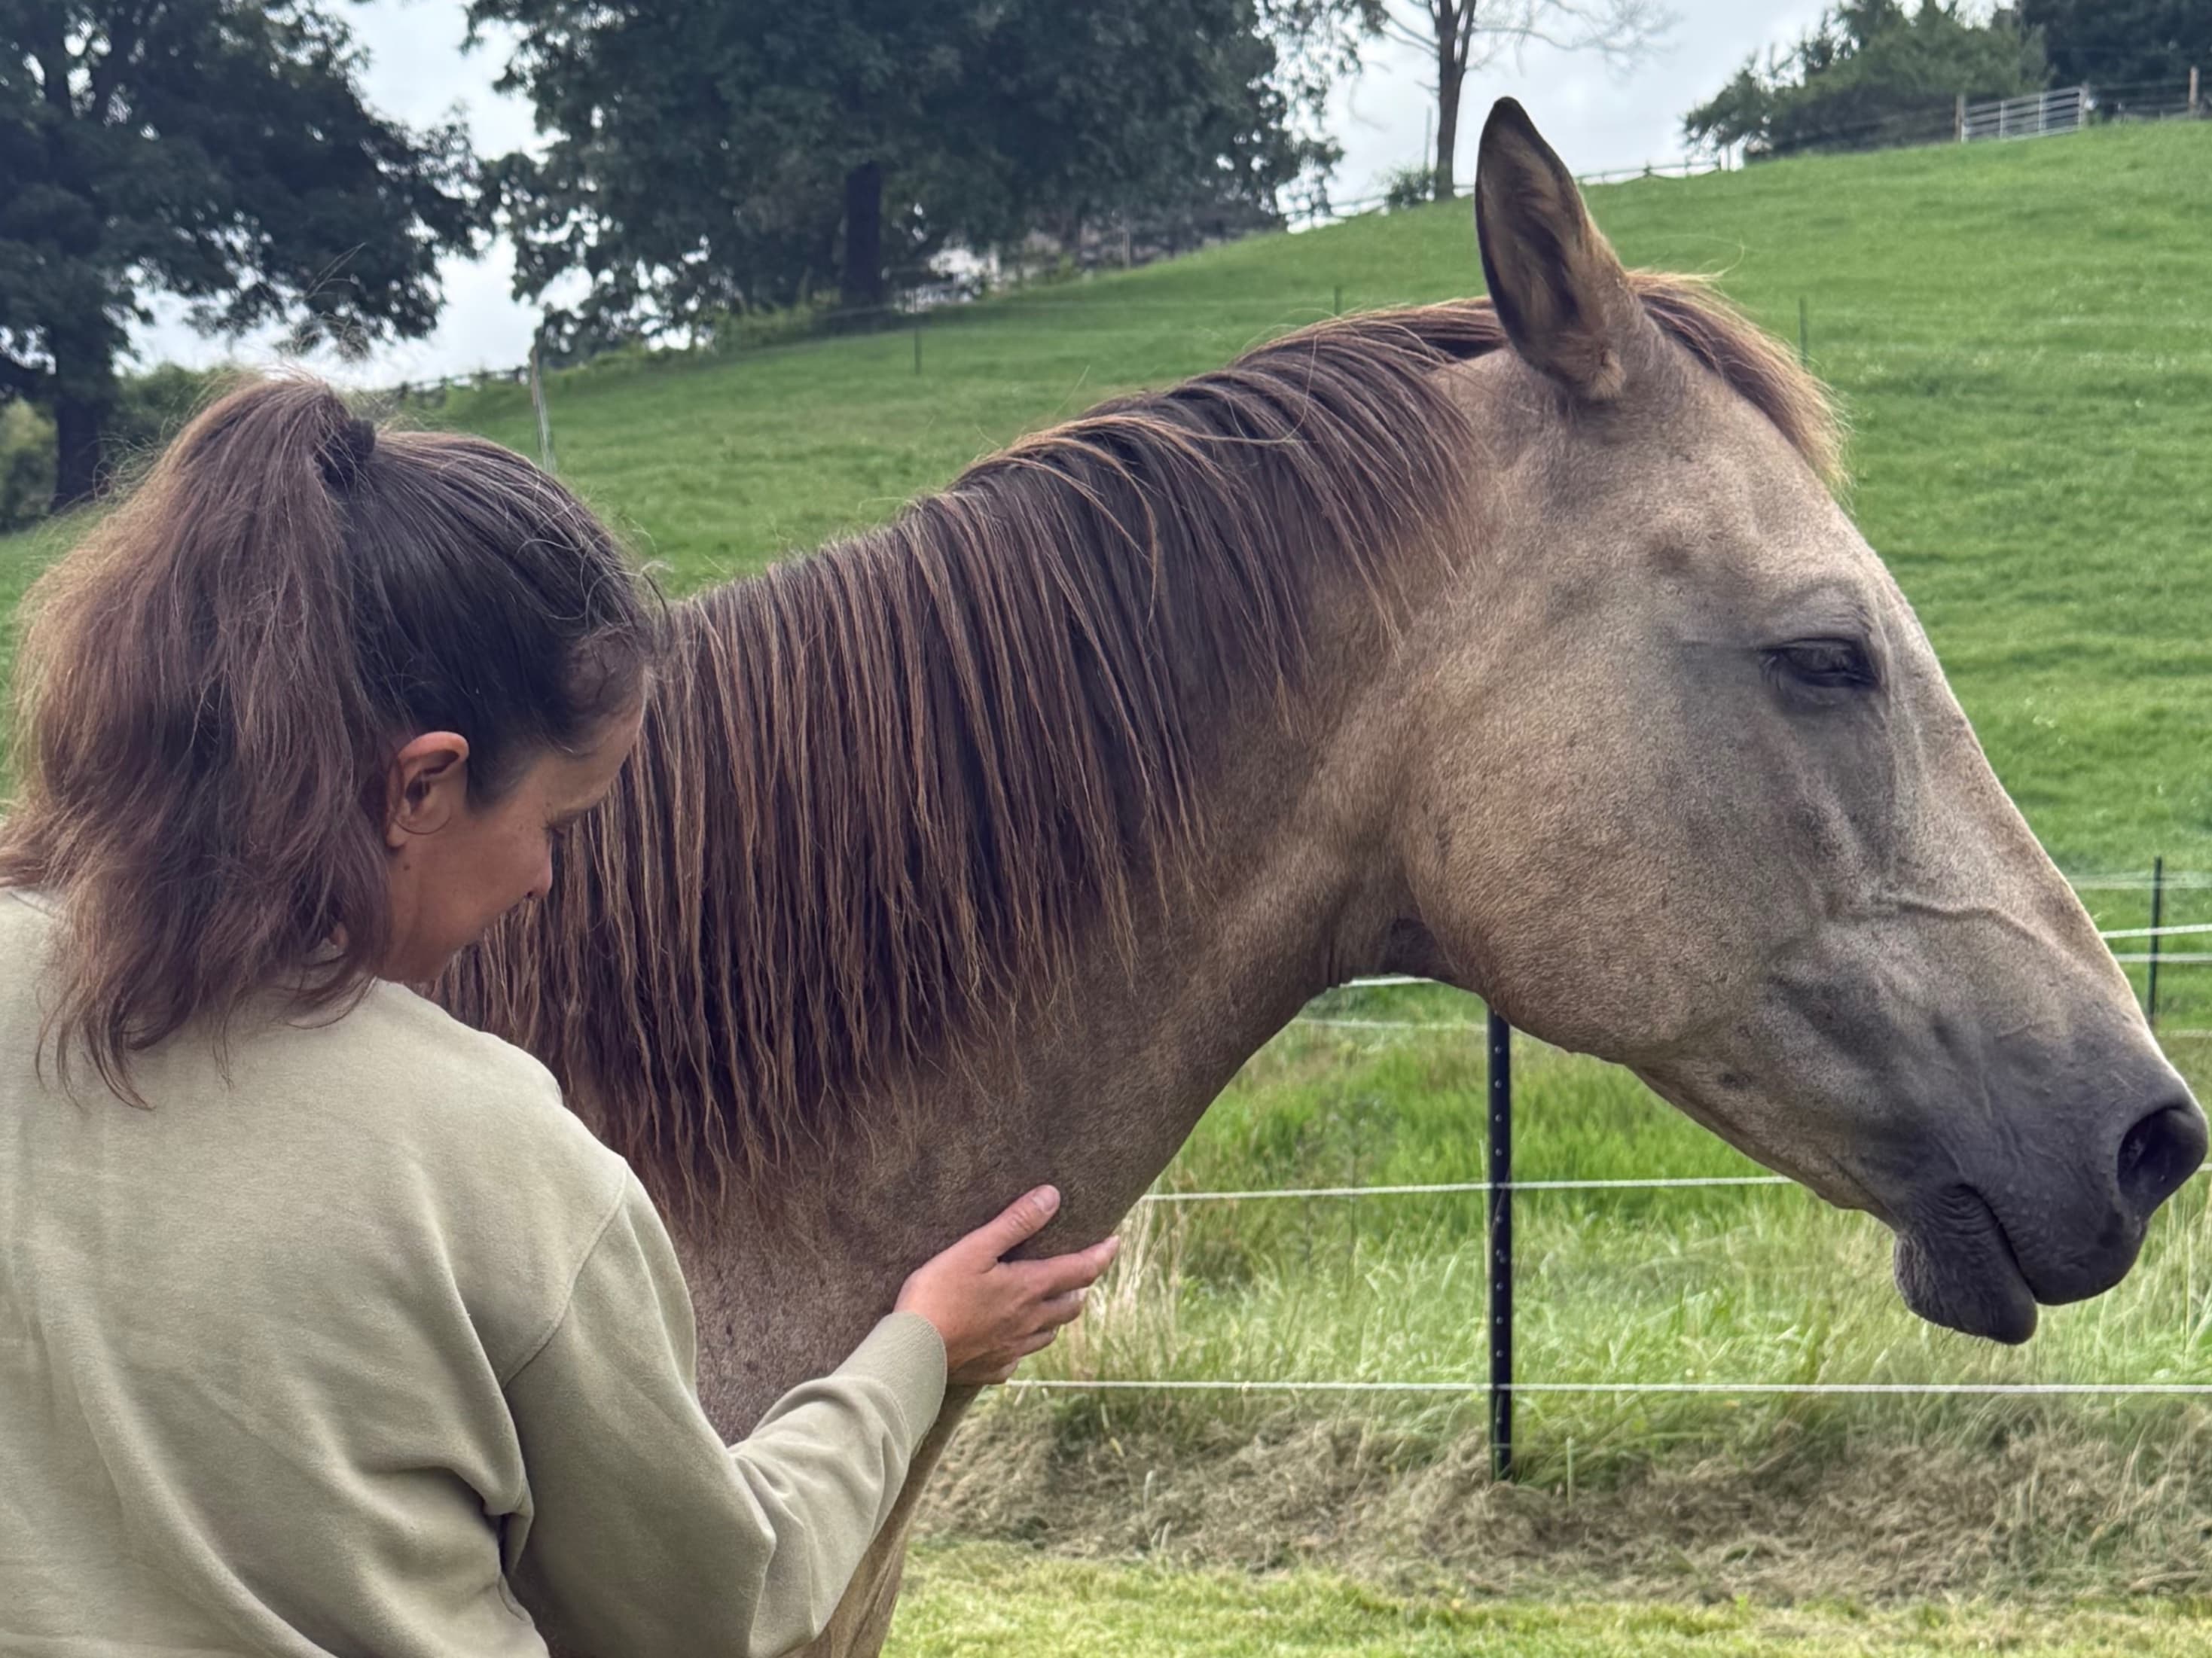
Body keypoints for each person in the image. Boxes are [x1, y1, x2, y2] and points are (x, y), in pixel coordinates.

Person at [0, 376, 1118, 1657]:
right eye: (554, 823)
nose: (544, 882)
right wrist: (916, 1351)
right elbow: (710, 1609)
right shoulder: (487, 1158)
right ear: (421, 782)